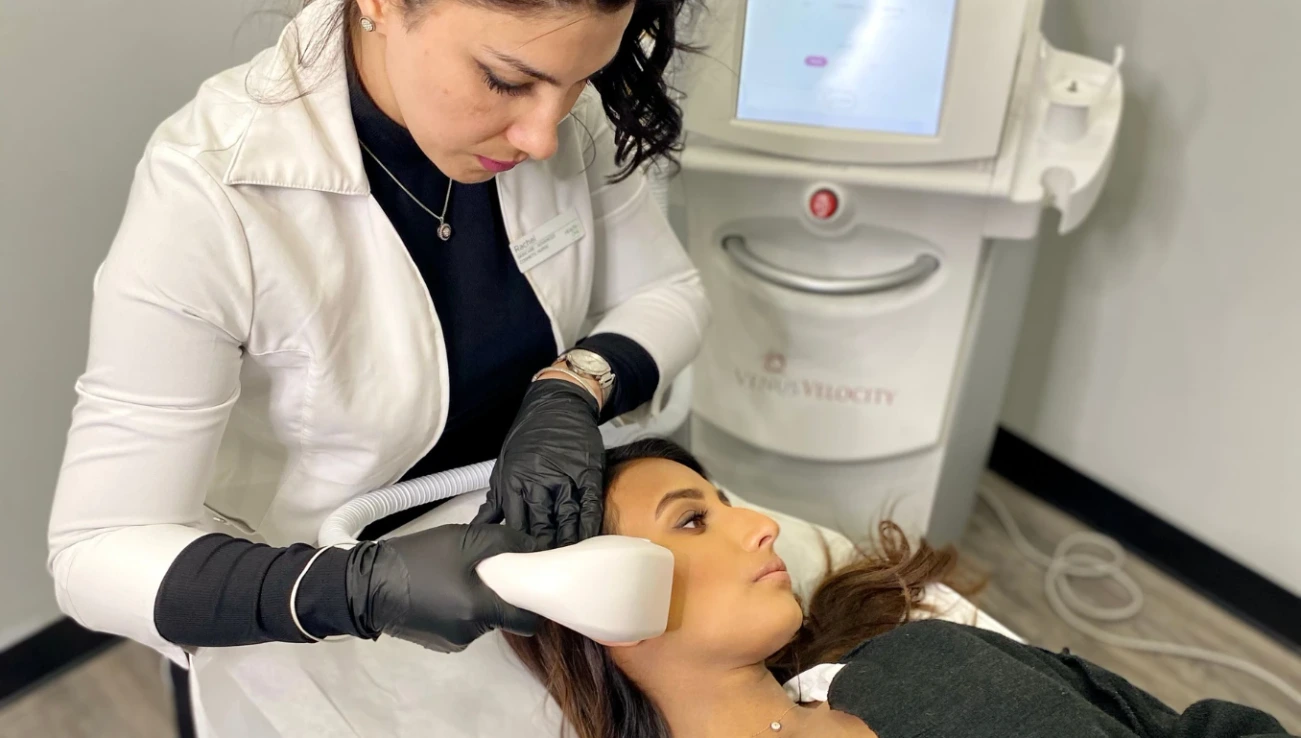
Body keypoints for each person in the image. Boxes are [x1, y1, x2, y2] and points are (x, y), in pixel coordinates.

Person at [46, 0, 706, 732]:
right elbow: (94, 555)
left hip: (525, 602)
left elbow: (667, 293)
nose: (543, 137)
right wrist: (358, 589)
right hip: (309, 630)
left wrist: (572, 386)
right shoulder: (209, 188)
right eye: (503, 80)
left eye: (583, 79)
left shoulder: (554, 103)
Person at [506, 439, 1296, 738]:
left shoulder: (927, 656)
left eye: (726, 503)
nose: (760, 527)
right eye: (690, 522)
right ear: (599, 596)